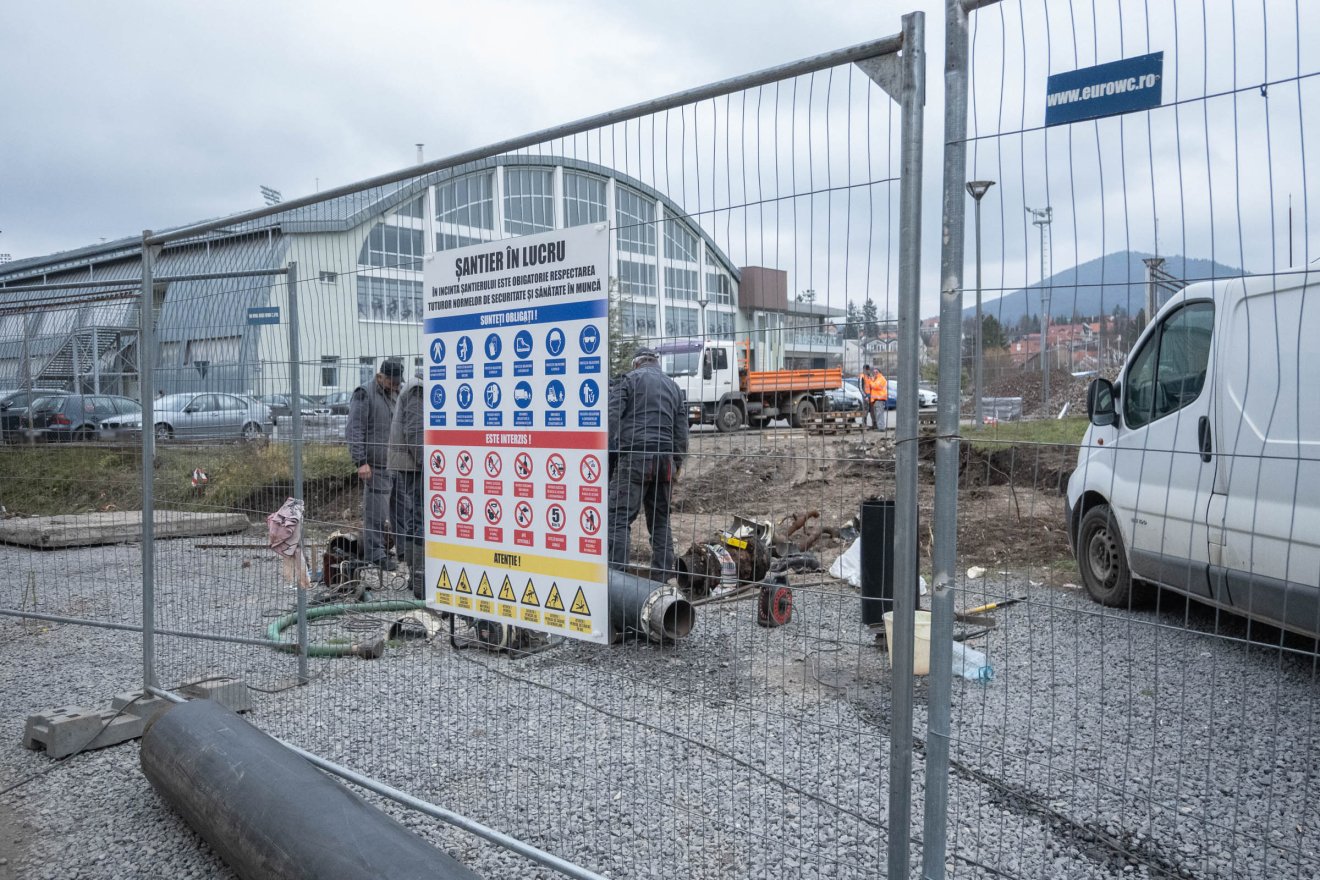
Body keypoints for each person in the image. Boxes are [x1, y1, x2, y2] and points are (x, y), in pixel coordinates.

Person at [607, 346, 688, 580]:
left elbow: (611, 419)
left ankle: (616, 580)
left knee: (618, 519)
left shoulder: (628, 381)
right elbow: (681, 434)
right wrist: (676, 464)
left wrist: (611, 458)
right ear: (655, 363)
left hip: (633, 457)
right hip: (665, 461)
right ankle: (662, 580)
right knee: (661, 521)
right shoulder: (674, 388)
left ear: (636, 363)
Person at [347, 358, 402, 570]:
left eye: (398, 383)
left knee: (402, 513)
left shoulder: (396, 394)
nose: (396, 386)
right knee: (376, 515)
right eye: (392, 382)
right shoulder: (364, 394)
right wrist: (361, 461)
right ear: (381, 377)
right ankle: (376, 554)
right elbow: (354, 429)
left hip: (398, 465)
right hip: (376, 466)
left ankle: (404, 552)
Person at [387, 372, 425, 598]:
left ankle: (415, 578)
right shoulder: (417, 390)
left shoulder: (414, 386)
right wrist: (428, 464)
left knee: (414, 518)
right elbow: (416, 431)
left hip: (410, 463)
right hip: (415, 464)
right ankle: (421, 582)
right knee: (421, 518)